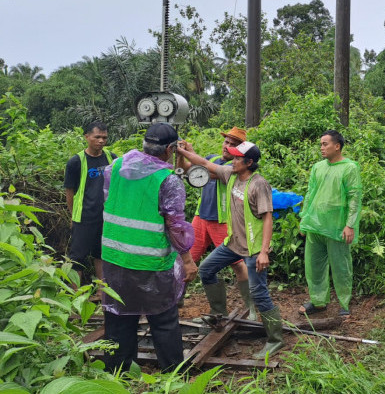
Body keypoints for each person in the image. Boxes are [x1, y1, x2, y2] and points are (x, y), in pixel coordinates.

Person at [101, 123, 197, 372]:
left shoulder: (117, 166)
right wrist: (187, 260)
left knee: (119, 317)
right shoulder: (167, 181)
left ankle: (118, 373)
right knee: (163, 319)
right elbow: (175, 225)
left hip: (114, 256)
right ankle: (174, 374)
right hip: (150, 262)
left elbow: (110, 200)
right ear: (170, 149)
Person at [177, 139, 283, 359]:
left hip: (254, 248)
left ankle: (275, 340)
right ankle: (219, 314)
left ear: (249, 162)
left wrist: (264, 251)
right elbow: (205, 165)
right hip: (233, 243)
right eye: (233, 157)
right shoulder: (231, 175)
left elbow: (267, 218)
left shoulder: (258, 184)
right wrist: (183, 151)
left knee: (259, 292)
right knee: (206, 269)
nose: (233, 160)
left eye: (237, 158)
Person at [176, 126, 256, 319]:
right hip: (201, 218)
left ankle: (251, 307)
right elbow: (188, 168)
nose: (227, 146)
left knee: (237, 264)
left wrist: (187, 152)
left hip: (223, 222)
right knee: (186, 259)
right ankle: (176, 300)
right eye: (226, 142)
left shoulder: (234, 169)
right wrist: (181, 155)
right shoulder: (212, 159)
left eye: (233, 144)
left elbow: (205, 169)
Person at [298, 130, 362, 318]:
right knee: (314, 265)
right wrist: (304, 219)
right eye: (321, 144)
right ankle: (318, 301)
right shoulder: (318, 167)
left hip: (337, 227)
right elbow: (310, 194)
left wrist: (350, 224)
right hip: (315, 225)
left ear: (337, 146)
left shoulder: (349, 168)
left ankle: (344, 302)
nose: (322, 148)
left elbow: (354, 197)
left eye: (325, 144)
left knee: (341, 266)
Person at [64, 121, 117, 284]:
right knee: (77, 258)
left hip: (106, 217)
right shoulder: (76, 162)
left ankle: (103, 293)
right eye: (97, 137)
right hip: (84, 217)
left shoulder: (112, 158)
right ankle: (75, 297)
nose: (101, 141)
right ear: (87, 137)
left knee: (101, 254)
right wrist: (73, 216)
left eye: (104, 137)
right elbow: (69, 192)